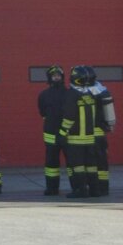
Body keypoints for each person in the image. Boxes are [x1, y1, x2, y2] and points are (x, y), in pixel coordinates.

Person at [37, 64, 74, 197]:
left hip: (67, 133)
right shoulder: (43, 95)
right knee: (51, 163)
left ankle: (76, 188)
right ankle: (52, 189)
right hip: (50, 134)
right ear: (49, 77)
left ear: (62, 77)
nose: (56, 77)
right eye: (54, 75)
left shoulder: (69, 93)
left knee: (72, 162)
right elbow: (42, 112)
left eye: (58, 75)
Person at [65, 67, 100, 197]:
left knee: (78, 166)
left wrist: (62, 132)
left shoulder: (71, 94)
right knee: (91, 166)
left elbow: (69, 116)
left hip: (76, 139)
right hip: (90, 139)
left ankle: (81, 191)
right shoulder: (90, 94)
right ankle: (94, 190)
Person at [84, 67, 116, 198]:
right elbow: (109, 114)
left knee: (89, 163)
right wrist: (110, 125)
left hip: (86, 135)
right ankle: (103, 188)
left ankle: (92, 188)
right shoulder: (102, 90)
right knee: (102, 163)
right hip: (100, 134)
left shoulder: (80, 92)